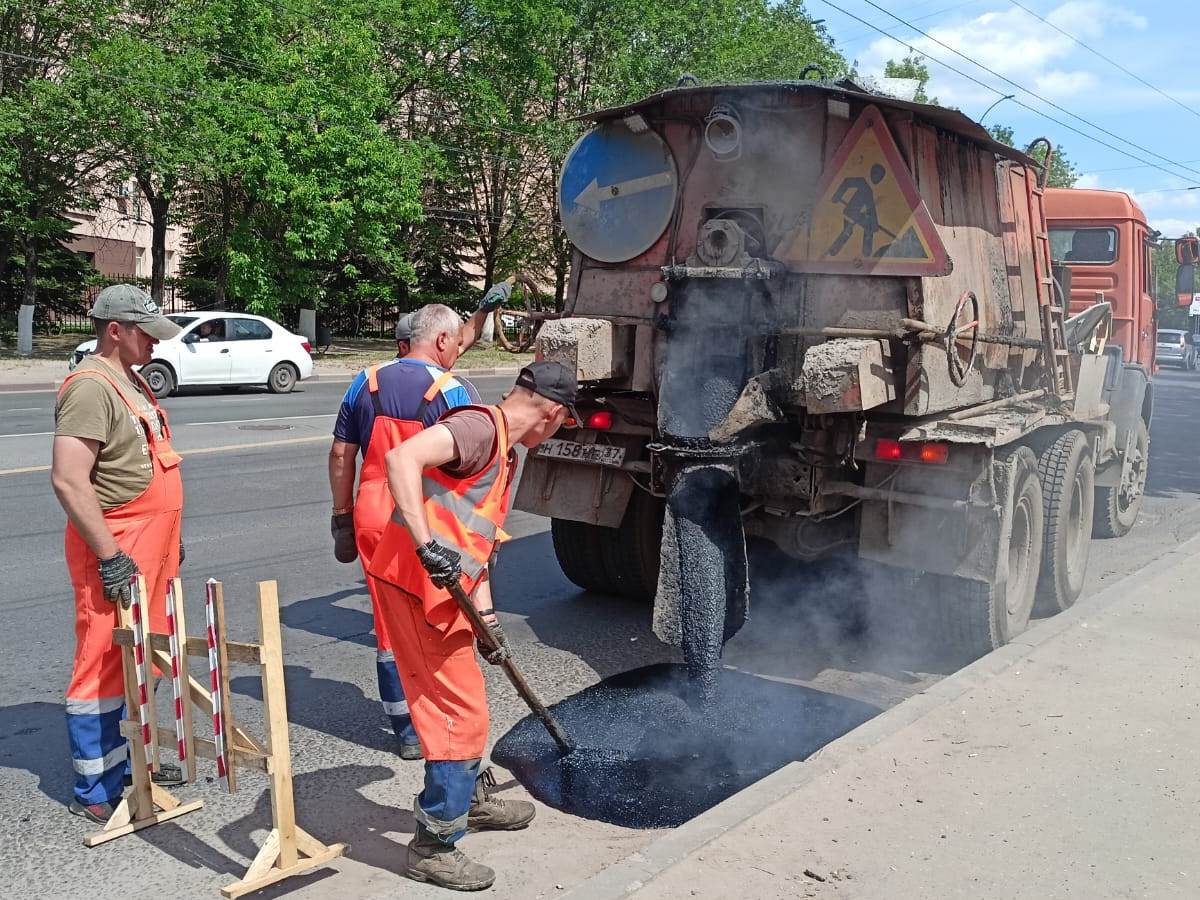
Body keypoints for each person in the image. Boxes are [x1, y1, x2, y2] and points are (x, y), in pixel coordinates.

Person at [368, 361, 578, 891]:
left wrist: (487, 623)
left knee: (467, 700)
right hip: (417, 587)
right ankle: (434, 844)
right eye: (562, 423)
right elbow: (401, 458)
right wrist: (424, 544)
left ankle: (472, 798)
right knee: (458, 715)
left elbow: (475, 546)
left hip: (445, 592)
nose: (556, 433)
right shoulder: (481, 428)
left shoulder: (502, 449)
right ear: (551, 412)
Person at [327, 286, 513, 760]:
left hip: (372, 513)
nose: (459, 350)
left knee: (389, 624)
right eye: (455, 343)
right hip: (428, 518)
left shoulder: (364, 380)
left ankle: (405, 729)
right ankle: (444, 726)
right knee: (439, 620)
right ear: (442, 341)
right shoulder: (452, 391)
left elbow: (340, 454)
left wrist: (341, 518)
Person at [50, 283, 185, 824]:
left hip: (149, 547)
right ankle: (96, 786)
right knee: (103, 663)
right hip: (117, 546)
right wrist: (109, 556)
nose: (156, 343)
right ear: (115, 331)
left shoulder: (129, 380)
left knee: (141, 656)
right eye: (147, 333)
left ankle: (131, 763)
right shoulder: (89, 387)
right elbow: (68, 479)